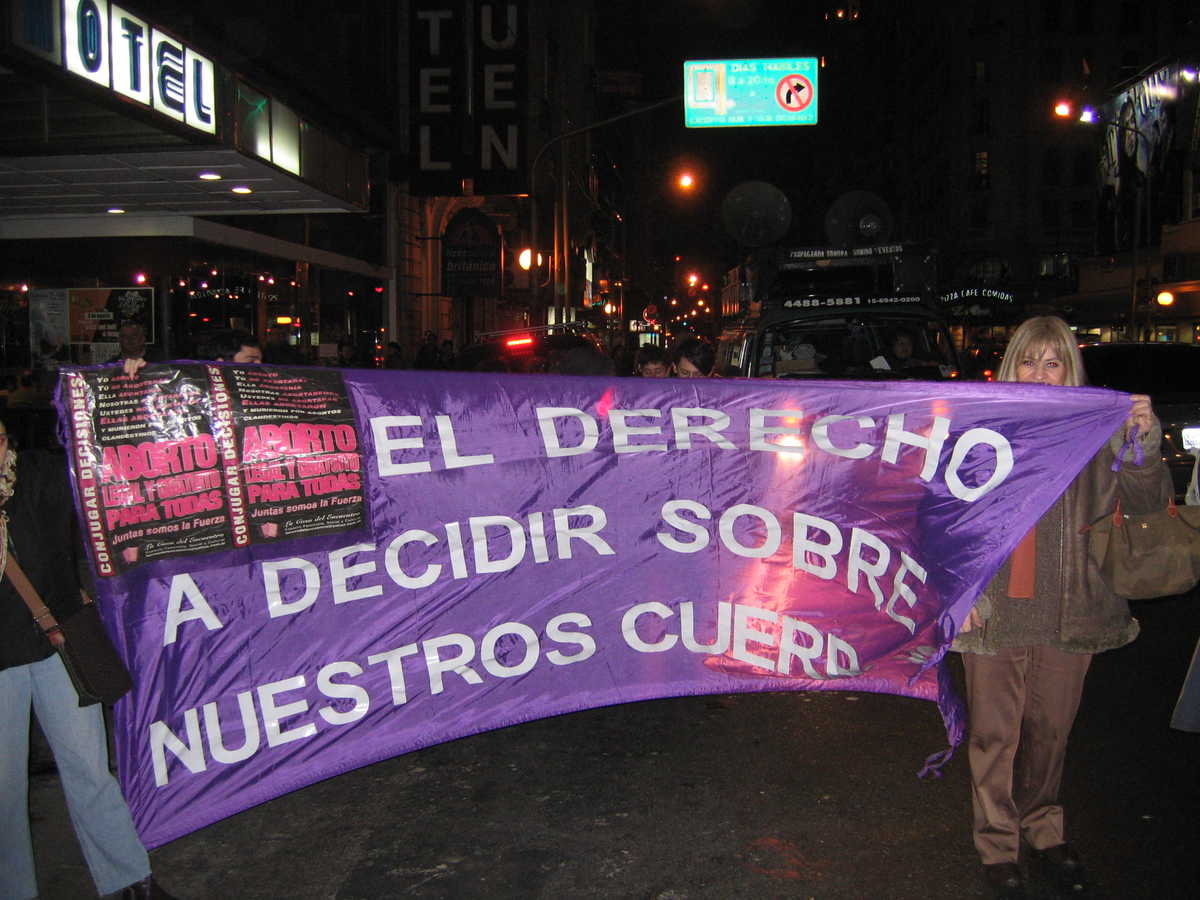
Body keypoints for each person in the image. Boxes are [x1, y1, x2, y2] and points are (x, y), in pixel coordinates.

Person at [952, 316, 1170, 899]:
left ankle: (1044, 830)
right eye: (1029, 360)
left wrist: (1142, 441)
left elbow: (1149, 503)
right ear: (1010, 366)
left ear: (1071, 369)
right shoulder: (983, 427)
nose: (1041, 372)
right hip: (996, 607)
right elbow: (951, 515)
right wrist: (960, 588)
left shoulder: (1099, 431)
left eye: (1053, 361)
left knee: (1050, 733)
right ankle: (997, 846)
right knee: (994, 737)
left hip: (1071, 608)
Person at [0, 421, 178, 900]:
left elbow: (105, 458)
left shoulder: (39, 473)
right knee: (3, 792)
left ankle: (127, 882)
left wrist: (125, 386)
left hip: (58, 645)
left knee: (91, 769)